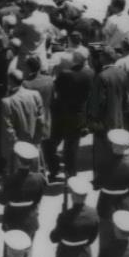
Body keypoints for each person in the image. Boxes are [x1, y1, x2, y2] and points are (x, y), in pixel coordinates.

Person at [44, 50, 93, 180]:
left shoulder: (65, 74)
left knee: (51, 143)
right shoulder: (90, 74)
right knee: (71, 147)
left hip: (60, 113)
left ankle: (54, 169)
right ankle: (70, 174)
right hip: (78, 115)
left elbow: (56, 90)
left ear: (74, 60)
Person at [0, 142, 44, 257]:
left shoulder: (10, 179)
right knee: (27, 252)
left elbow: (2, 200)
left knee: (11, 252)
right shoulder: (39, 179)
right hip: (30, 219)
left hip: (12, 220)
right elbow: (37, 200)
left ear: (18, 160)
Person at [0, 70, 46, 175]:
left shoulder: (7, 101)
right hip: (34, 140)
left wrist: (17, 144)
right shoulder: (35, 94)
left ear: (10, 81)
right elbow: (41, 120)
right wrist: (37, 139)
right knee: (34, 171)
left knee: (18, 174)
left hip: (18, 145)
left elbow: (8, 128)